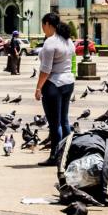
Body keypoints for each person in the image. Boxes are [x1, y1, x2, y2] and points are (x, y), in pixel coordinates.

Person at [35, 10, 76, 160]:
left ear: (47, 24)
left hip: (54, 84)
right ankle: (67, 154)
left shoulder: (50, 42)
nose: (43, 29)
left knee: (54, 123)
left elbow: (46, 70)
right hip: (68, 82)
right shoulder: (67, 40)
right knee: (64, 121)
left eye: (43, 26)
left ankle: (55, 156)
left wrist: (39, 88)